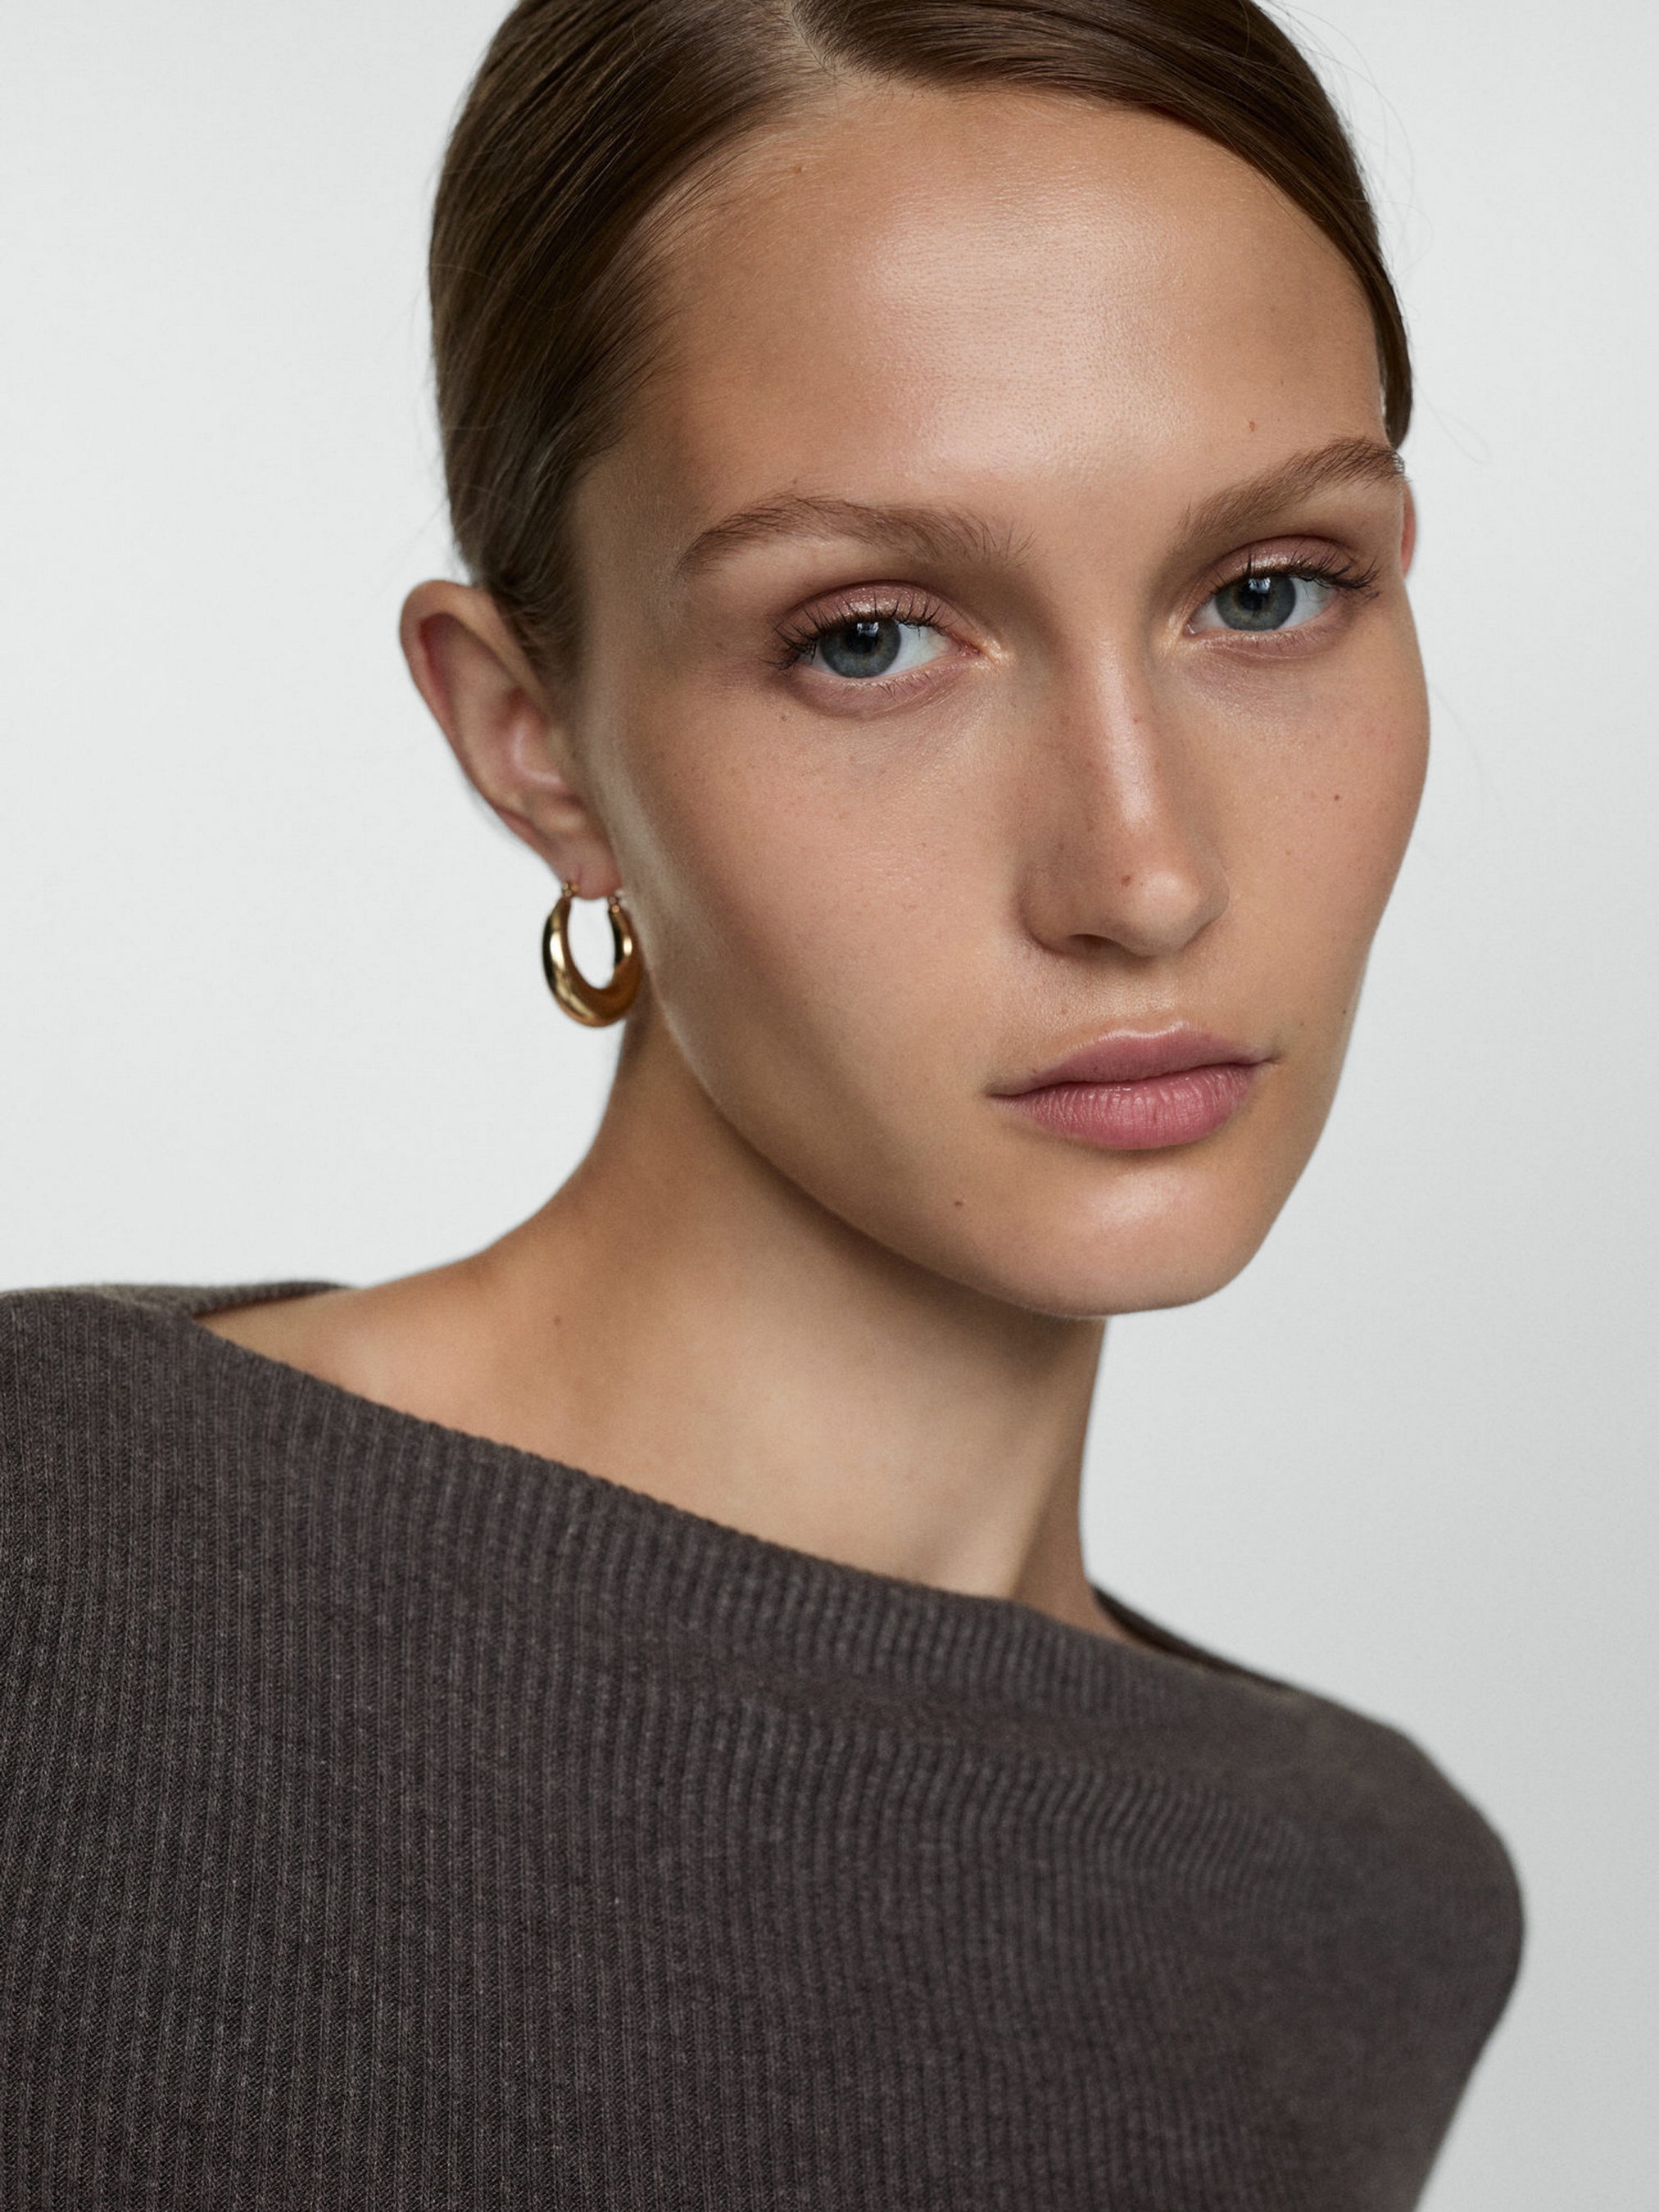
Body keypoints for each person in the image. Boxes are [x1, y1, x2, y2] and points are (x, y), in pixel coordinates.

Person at [0, 2, 1522, 2204]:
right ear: (533, 739)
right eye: (869, 639)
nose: (1144, 872)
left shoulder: (1354, 1915)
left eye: (1267, 592)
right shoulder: (54, 1561)